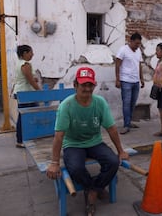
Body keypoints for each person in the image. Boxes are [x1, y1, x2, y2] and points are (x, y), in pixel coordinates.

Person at [46, 67, 129, 216]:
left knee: (113, 162)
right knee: (76, 169)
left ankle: (92, 190)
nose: (87, 88)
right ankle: (94, 190)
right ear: (75, 85)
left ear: (94, 86)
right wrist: (54, 162)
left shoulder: (100, 102)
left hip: (94, 142)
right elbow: (59, 136)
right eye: (83, 84)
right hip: (73, 144)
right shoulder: (67, 106)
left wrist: (121, 151)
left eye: (90, 85)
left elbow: (111, 128)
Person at [115, 33, 145, 134]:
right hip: (125, 81)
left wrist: (141, 78)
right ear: (130, 41)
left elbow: (139, 65)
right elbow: (117, 64)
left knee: (132, 103)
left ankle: (129, 121)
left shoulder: (138, 51)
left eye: (139, 44)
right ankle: (126, 125)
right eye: (136, 43)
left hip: (135, 81)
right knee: (126, 103)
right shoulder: (123, 50)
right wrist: (117, 79)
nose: (137, 46)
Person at [13, 45, 41, 148]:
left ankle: (24, 138)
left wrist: (34, 80)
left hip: (24, 92)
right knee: (25, 116)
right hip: (26, 94)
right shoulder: (25, 65)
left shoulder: (20, 64)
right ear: (25, 53)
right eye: (31, 52)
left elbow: (28, 78)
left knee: (27, 115)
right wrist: (39, 91)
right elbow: (30, 80)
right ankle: (20, 140)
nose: (32, 54)